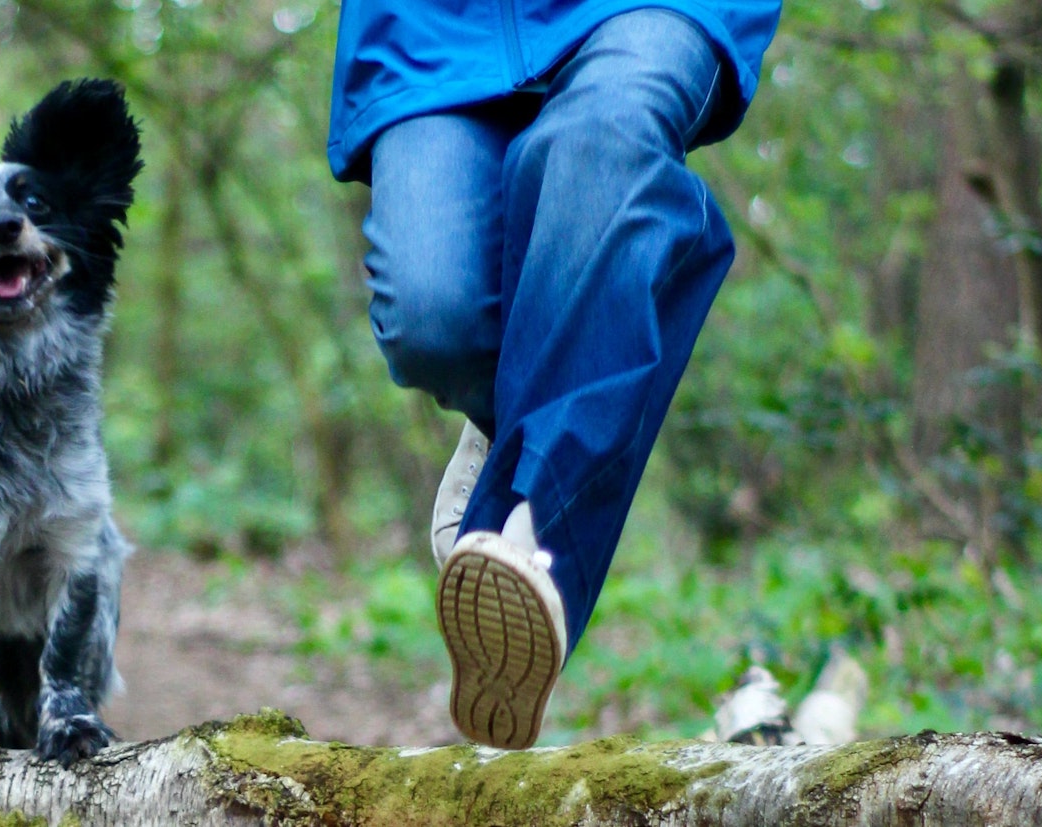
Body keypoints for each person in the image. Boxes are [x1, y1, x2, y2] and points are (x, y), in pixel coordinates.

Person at [328, 1, 782, 749]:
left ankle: (524, 527)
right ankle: (512, 446)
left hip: (642, 12)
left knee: (602, 140)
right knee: (431, 317)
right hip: (435, 26)